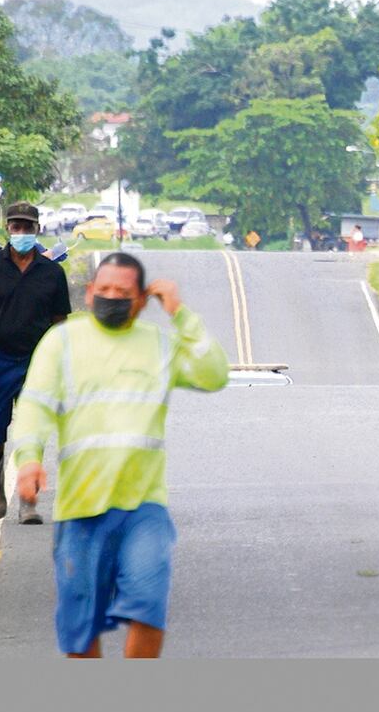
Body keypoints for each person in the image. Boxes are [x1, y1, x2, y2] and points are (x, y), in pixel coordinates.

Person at [12, 252, 228, 658]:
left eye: (123, 292)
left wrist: (180, 312)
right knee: (81, 629)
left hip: (143, 507)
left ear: (142, 300)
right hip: (81, 508)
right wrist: (28, 459)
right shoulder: (62, 343)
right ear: (89, 293)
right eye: (104, 290)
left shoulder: (161, 345)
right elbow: (35, 406)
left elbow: (215, 373)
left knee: (149, 611)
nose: (112, 297)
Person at [0, 201, 71, 524]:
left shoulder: (51, 273)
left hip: (37, 360)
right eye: (16, 227)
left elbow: (60, 324)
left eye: (28, 228)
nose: (22, 233)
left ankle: (28, 499)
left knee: (32, 433)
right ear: (7, 228)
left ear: (37, 230)